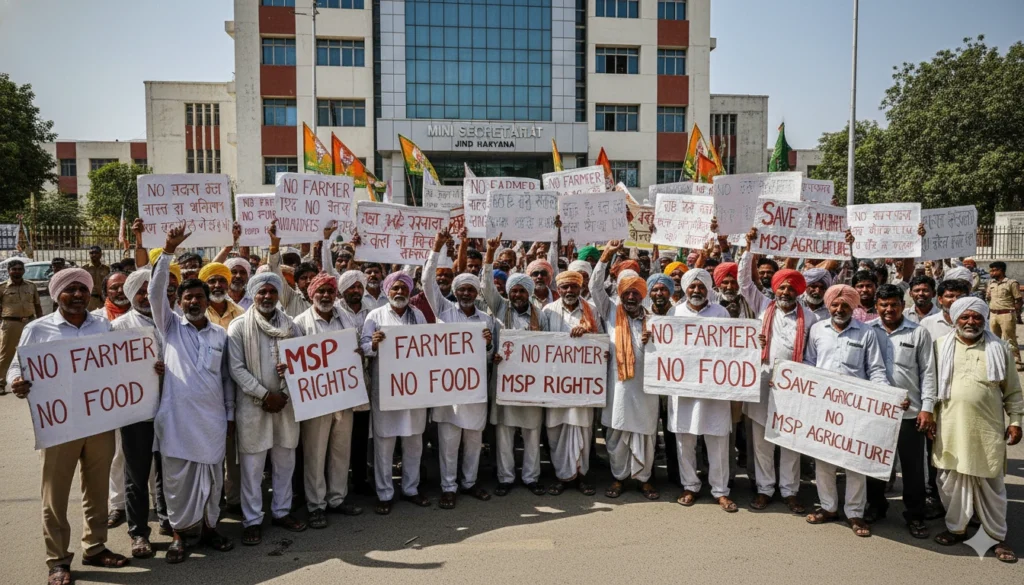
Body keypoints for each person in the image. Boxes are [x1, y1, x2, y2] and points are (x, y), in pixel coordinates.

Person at [8, 267, 132, 584]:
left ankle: (95, 547)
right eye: (70, 289)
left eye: (82, 289)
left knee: (97, 490)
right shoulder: (39, 329)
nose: (77, 295)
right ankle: (58, 560)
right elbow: (15, 369)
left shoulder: (105, 326)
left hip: (98, 422)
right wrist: (17, 382)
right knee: (55, 496)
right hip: (59, 424)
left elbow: (122, 365)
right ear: (56, 294)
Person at [149, 228, 235, 563]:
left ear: (207, 300)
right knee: (177, 483)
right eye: (188, 298)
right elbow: (156, 292)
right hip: (177, 422)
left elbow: (227, 379)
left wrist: (228, 416)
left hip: (212, 422)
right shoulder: (169, 326)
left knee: (213, 483)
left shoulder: (220, 334)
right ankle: (178, 536)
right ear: (179, 302)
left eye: (200, 297)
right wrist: (168, 249)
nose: (195, 302)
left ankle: (211, 528)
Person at [932, 297, 1023, 563]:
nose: (971, 322)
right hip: (949, 427)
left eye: (976, 317)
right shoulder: (940, 347)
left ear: (984, 319)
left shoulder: (1000, 349)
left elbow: (1013, 391)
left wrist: (1015, 421)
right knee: (950, 481)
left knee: (991, 484)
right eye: (965, 317)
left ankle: (996, 537)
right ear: (955, 319)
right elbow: (930, 387)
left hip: (987, 429)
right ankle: (956, 529)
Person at [228, 269, 307, 545]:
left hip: (286, 403)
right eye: (262, 291)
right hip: (253, 405)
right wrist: (265, 395)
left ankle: (282, 511)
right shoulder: (238, 326)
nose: (267, 296)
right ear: (253, 294)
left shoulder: (291, 325)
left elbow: (302, 362)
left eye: (272, 291)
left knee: (285, 461)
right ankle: (252, 520)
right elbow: (236, 368)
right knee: (253, 466)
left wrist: (283, 393)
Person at [803, 284, 888, 538]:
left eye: (845, 305)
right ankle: (828, 507)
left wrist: (886, 397)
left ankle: (854, 512)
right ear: (829, 305)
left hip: (855, 408)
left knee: (855, 462)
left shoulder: (866, 333)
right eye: (835, 304)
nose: (840, 309)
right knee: (824, 458)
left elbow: (876, 369)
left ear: (854, 307)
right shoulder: (817, 330)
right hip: (824, 405)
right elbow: (809, 362)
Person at [424, 229, 496, 509]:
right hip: (448, 392)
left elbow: (490, 358)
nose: (466, 293)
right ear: (454, 293)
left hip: (475, 391)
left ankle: (469, 483)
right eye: (461, 289)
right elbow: (427, 281)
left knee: (474, 442)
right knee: (449, 443)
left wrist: (489, 346)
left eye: (470, 290)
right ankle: (448, 487)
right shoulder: (443, 311)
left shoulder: (486, 320)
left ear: (477, 293)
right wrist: (437, 246)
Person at [742, 264, 815, 514]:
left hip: (794, 387)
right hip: (762, 383)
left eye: (791, 288)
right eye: (782, 287)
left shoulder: (811, 318)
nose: (786, 291)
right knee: (762, 441)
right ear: (775, 289)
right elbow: (744, 283)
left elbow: (812, 355)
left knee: (789, 441)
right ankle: (765, 489)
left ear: (798, 292)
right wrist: (749, 248)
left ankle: (789, 491)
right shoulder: (763, 307)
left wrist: (793, 374)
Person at [294, 272, 364, 529]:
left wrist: (356, 352)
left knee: (339, 450)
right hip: (315, 401)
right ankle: (316, 505)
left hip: (343, 396)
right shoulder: (300, 323)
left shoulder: (345, 318)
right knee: (315, 452)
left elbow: (354, 348)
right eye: (320, 291)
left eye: (329, 291)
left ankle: (337, 498)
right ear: (311, 294)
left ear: (336, 295)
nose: (325, 296)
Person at [866, 284, 937, 537]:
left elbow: (928, 373)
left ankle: (915, 515)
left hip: (910, 414)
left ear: (902, 305)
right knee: (874, 463)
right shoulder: (867, 331)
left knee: (913, 468)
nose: (888, 309)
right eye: (883, 305)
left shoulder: (918, 333)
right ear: (876, 306)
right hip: (875, 412)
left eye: (894, 304)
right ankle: (875, 506)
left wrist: (927, 408)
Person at [482, 235, 549, 496]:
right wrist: (489, 253)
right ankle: (506, 478)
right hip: (504, 381)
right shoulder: (500, 308)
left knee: (532, 433)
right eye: (514, 291)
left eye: (522, 290)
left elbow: (549, 347)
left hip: (532, 383)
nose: (518, 294)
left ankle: (531, 477)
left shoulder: (540, 314)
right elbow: (486, 285)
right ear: (508, 293)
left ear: (529, 293)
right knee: (505, 434)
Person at [592, 241, 660, 500]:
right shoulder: (610, 310)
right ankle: (619, 478)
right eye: (626, 292)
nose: (631, 296)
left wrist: (656, 339)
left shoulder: (653, 318)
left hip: (645, 389)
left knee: (645, 434)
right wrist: (606, 255)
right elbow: (595, 287)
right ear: (619, 293)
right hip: (618, 388)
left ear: (643, 294)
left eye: (636, 292)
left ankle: (643, 478)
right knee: (616, 434)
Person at [111, 269, 171, 558]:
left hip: (169, 408)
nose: (146, 295)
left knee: (167, 468)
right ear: (130, 293)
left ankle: (166, 519)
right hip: (135, 414)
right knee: (136, 474)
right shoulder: (119, 326)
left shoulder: (172, 321)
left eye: (151, 290)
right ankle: (138, 533)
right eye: (140, 290)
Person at [361, 271, 432, 514]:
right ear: (387, 291)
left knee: (413, 441)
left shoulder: (418, 315)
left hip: (414, 390)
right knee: (385, 442)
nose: (400, 292)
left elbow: (428, 346)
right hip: (386, 390)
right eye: (395, 288)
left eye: (404, 288)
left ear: (411, 292)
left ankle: (411, 489)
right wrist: (373, 344)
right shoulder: (375, 315)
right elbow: (362, 347)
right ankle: (385, 493)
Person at [669, 269, 735, 512]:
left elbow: (733, 347)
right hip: (683, 386)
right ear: (685, 288)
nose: (696, 291)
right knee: (684, 439)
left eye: (701, 287)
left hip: (714, 388)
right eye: (692, 286)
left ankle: (720, 491)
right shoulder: (674, 312)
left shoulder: (721, 312)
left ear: (708, 289)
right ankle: (690, 486)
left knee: (717, 439)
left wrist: (750, 343)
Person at [542, 266, 604, 496]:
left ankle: (581, 475)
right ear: (557, 289)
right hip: (555, 382)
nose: (570, 290)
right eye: (565, 286)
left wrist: (587, 335)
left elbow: (603, 341)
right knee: (555, 430)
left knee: (583, 430)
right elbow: (540, 345)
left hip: (583, 383)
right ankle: (561, 476)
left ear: (581, 287)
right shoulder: (548, 311)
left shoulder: (592, 310)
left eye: (574, 286)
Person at [0, 258, 41, 396]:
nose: (17, 271)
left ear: (24, 271)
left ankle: (33, 381)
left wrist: (40, 322)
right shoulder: (2, 287)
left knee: (32, 352)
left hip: (30, 322)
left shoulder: (31, 286)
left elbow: (37, 305)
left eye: (19, 269)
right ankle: (1, 383)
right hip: (11, 324)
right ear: (9, 271)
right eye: (14, 269)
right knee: (6, 354)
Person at [266, 221, 311, 318]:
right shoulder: (291, 298)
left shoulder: (328, 301)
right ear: (297, 282)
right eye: (303, 278)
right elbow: (275, 271)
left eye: (312, 277)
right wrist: (274, 245)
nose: (309, 281)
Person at [985, 261, 1023, 370]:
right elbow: (988, 298)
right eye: (990, 270)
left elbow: (1018, 300)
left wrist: (1017, 315)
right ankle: (998, 360)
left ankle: (1016, 362)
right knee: (993, 339)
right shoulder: (991, 283)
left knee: (1009, 339)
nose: (991, 272)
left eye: (993, 270)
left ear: (1000, 270)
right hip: (993, 314)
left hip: (1006, 314)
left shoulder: (1011, 283)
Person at [200, 262, 245, 328]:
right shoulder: (199, 312)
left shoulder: (239, 311)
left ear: (228, 285)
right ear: (204, 286)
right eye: (212, 281)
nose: (217, 285)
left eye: (222, 281)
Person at [84, 245, 111, 311]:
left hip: (103, 300)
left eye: (96, 253)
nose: (94, 255)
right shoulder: (85, 269)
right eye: (91, 253)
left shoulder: (106, 269)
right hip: (89, 300)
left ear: (100, 254)